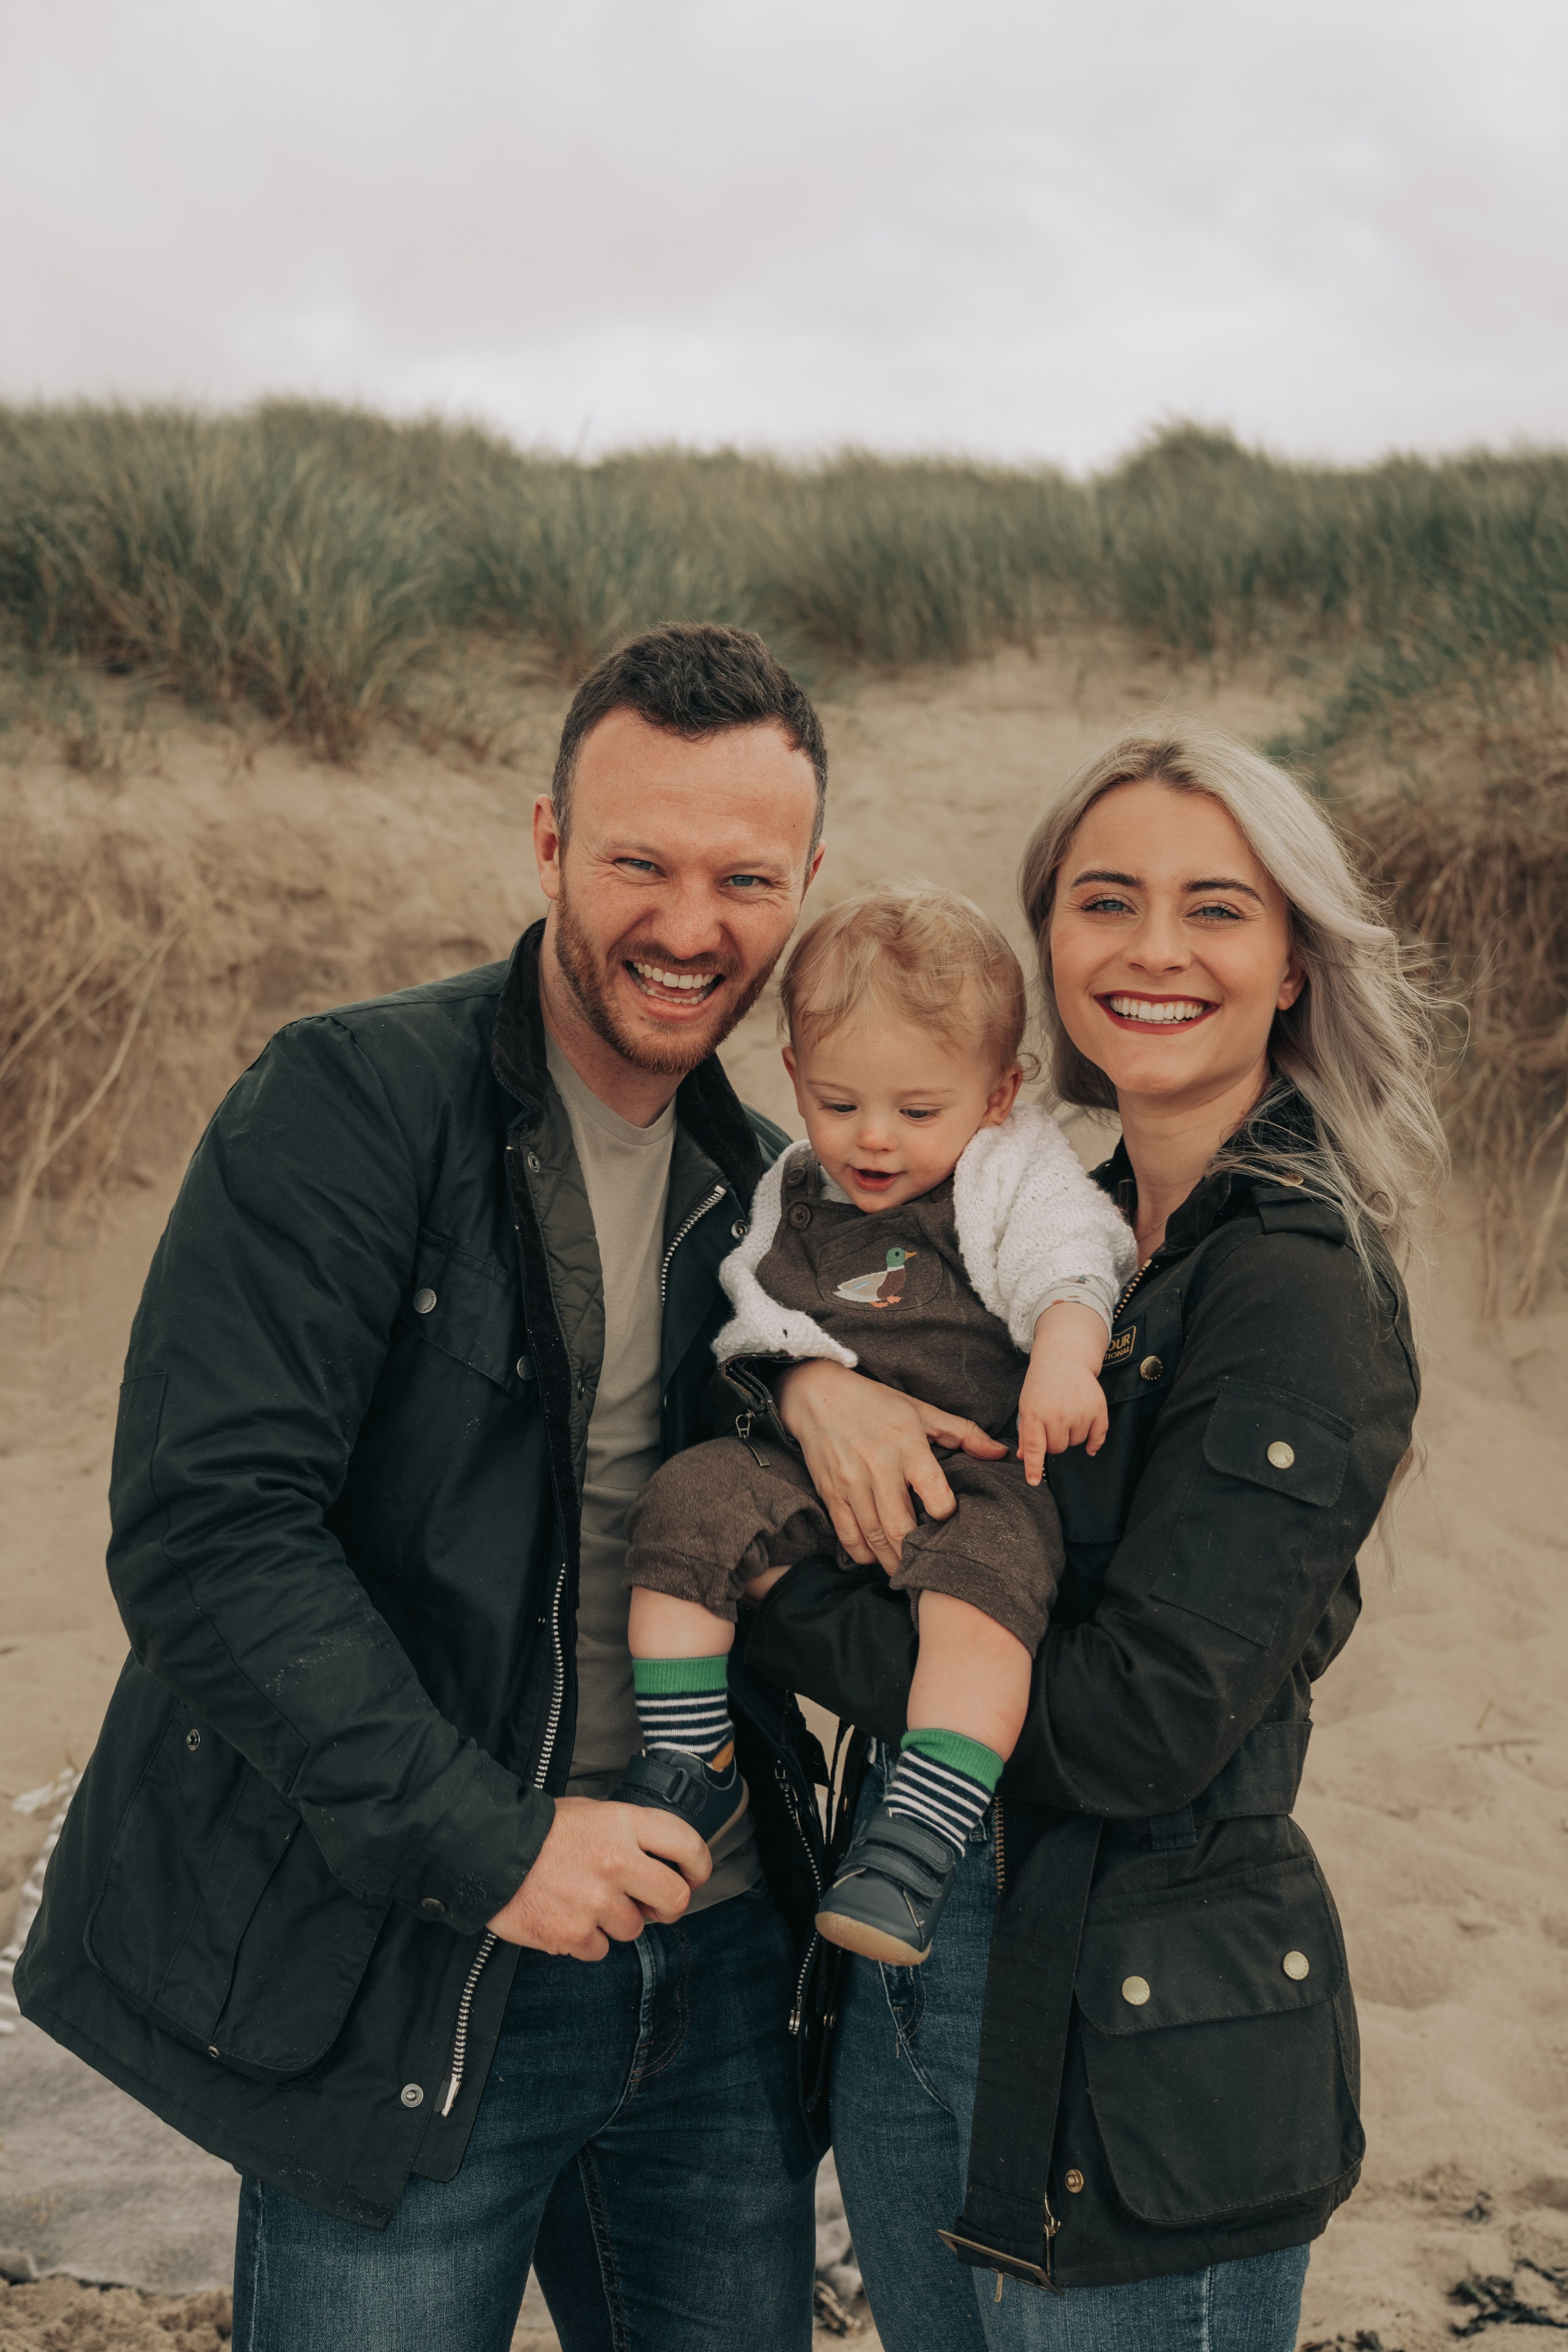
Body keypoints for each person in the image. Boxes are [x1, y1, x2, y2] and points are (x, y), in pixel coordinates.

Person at [17, 624, 837, 2352]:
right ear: (546, 845)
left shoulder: (775, 1199)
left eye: (745, 877)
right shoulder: (354, 1101)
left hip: (716, 1962)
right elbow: (206, 1535)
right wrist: (498, 1848)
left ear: (806, 882)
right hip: (419, 1946)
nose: (691, 926)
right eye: (640, 861)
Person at [737, 726, 1443, 2349]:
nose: (1153, 949)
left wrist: (780, 1606)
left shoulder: (1292, 1281)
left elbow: (1140, 1728)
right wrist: (816, 1408)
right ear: (1049, 947)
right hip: (910, 1961)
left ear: (1291, 965)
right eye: (1105, 901)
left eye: (1217, 908)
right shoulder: (1035, 1226)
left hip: (1144, 2026)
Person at [614, 886, 1133, 1967]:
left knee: (985, 1601)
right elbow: (751, 1305)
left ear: (1000, 1093)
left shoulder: (1009, 1169)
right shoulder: (793, 1185)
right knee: (685, 1505)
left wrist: (1067, 1360)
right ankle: (687, 1758)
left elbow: (1073, 1256)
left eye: (917, 1110)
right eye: (841, 1104)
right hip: (809, 1455)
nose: (875, 1141)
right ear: (796, 1077)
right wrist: (796, 1374)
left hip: (974, 1463)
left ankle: (921, 1830)